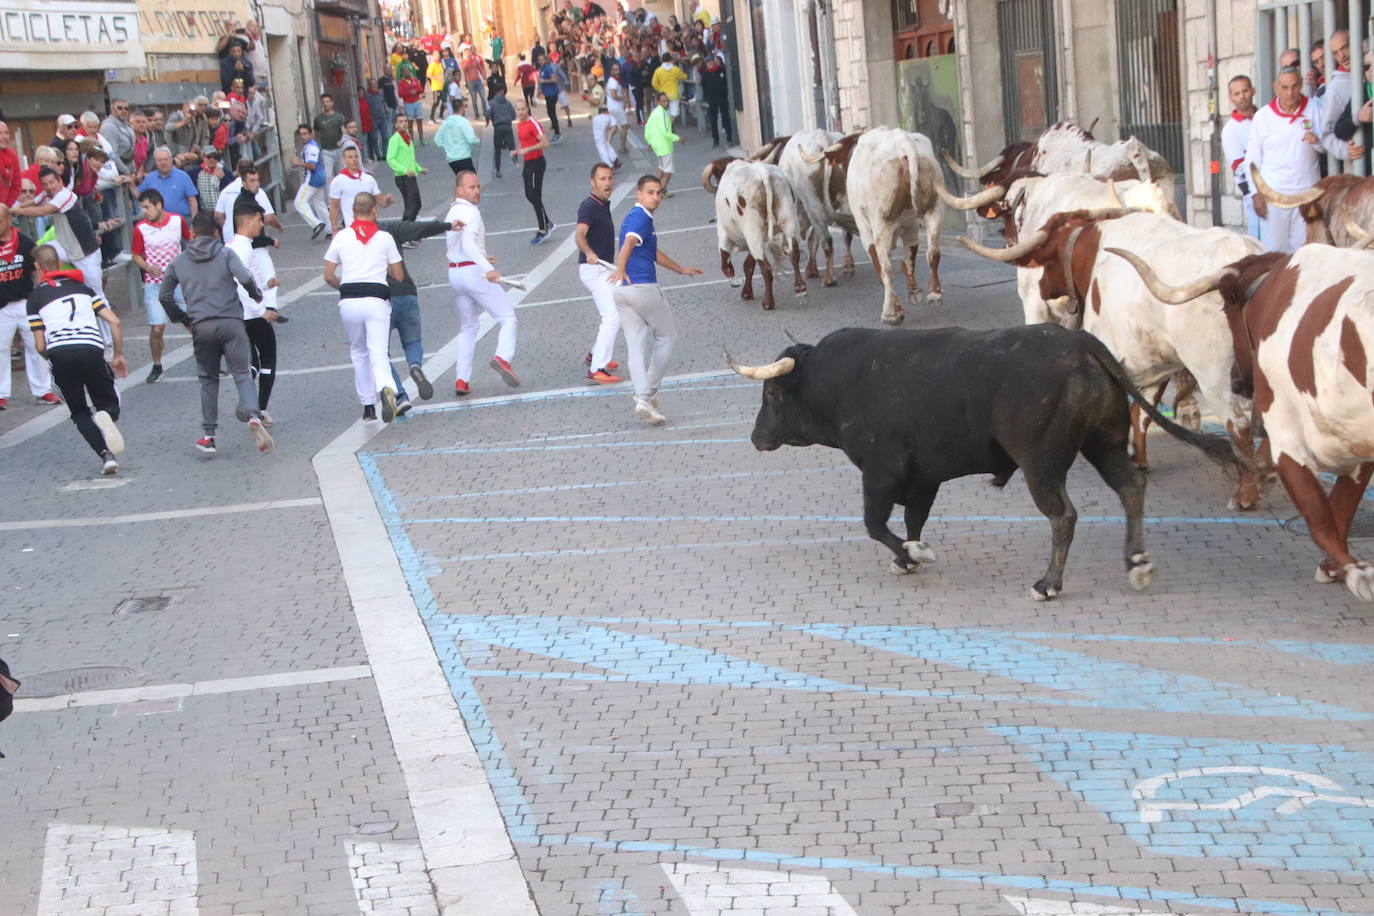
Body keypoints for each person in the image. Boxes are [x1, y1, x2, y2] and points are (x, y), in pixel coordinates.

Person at [158, 210, 271, 454]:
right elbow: (245, 277)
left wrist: (183, 319)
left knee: (208, 379)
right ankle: (253, 415)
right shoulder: (225, 252)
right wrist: (256, 295)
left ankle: (208, 435)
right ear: (215, 232)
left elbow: (164, 296)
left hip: (201, 325)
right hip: (231, 322)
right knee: (242, 373)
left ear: (190, 233)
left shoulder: (179, 261)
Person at [608, 174, 701, 425]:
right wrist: (621, 267)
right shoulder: (641, 216)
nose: (656, 197)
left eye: (659, 192)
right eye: (650, 192)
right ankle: (648, 393)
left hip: (622, 291)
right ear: (638, 194)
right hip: (642, 287)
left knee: (635, 346)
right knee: (666, 337)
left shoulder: (632, 216)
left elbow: (652, 252)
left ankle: (642, 399)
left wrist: (680, 269)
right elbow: (629, 243)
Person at [26, 244, 125, 473]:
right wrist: (118, 354)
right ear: (59, 264)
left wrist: (51, 357)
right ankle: (106, 415)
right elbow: (115, 322)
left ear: (38, 267)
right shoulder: (84, 289)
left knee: (79, 411)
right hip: (91, 348)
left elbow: (40, 344)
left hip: (60, 353)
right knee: (108, 404)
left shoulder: (35, 297)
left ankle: (106, 456)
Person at [323, 192, 404, 422]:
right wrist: (383, 266)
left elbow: (328, 275)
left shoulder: (341, 237)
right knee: (378, 351)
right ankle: (387, 389)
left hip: (349, 300)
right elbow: (398, 275)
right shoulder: (384, 238)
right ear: (374, 211)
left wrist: (344, 287)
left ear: (352, 211)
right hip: (376, 299)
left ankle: (368, 406)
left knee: (358, 352)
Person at [375, 214, 460, 414]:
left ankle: (400, 396)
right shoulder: (389, 228)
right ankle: (415, 366)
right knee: (412, 342)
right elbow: (419, 228)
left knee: (380, 353)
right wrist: (449, 225)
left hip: (380, 300)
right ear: (373, 211)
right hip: (406, 293)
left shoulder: (351, 238)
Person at [446, 170, 519, 395]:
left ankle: (461, 379)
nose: (477, 191)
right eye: (472, 187)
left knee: (468, 327)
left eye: (478, 187)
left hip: (455, 273)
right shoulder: (472, 212)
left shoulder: (453, 211)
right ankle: (502, 357)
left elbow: (458, 246)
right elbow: (468, 243)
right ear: (460, 190)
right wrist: (488, 268)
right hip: (473, 273)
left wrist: (481, 256)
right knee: (508, 318)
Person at [1246, 67, 1323, 254]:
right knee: (1274, 253)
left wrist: (1317, 142)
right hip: (1273, 195)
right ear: (1276, 88)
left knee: (1305, 253)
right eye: (1285, 87)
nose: (1290, 92)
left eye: (1295, 86)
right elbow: (1252, 159)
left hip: (1306, 195)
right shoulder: (1263, 116)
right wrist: (1255, 193)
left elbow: (1326, 145)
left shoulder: (1315, 108)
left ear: (1301, 85)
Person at [12, 168, 105, 302]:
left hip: (85, 252)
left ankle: (108, 323)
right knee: (36, 253)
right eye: (45, 184)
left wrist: (17, 210)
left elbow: (44, 210)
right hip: (64, 246)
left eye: (52, 182)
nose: (49, 187)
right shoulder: (47, 193)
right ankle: (47, 289)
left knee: (97, 296)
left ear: (59, 181)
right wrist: (13, 208)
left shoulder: (65, 195)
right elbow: (34, 202)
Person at [226, 205, 280, 425]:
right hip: (251, 313)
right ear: (248, 222)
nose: (262, 224)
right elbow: (240, 284)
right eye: (259, 220)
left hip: (236, 314)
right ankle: (259, 409)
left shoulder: (230, 245)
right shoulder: (244, 249)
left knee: (252, 360)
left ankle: (248, 398)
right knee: (269, 357)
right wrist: (262, 310)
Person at [130, 189, 191, 383]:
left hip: (179, 282)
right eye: (142, 208)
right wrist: (147, 266)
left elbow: (190, 240)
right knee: (157, 328)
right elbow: (135, 255)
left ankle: (210, 360)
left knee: (193, 323)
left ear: (159, 205)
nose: (144, 212)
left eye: (147, 207)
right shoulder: (140, 228)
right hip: (155, 284)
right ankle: (157, 365)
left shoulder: (177, 220)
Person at [0, 204, 57, 409]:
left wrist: (42, 292)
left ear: (8, 220)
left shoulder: (24, 243)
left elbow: (38, 268)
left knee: (36, 346)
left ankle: (43, 390)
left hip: (25, 302)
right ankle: (1, 394)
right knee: (1, 349)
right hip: (2, 306)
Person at [574, 163, 622, 384]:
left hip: (604, 268)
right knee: (611, 316)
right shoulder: (589, 206)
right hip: (593, 269)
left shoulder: (601, 204)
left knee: (620, 306)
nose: (608, 183)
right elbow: (580, 235)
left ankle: (595, 354)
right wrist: (589, 252)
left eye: (610, 178)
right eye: (602, 179)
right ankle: (596, 368)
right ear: (593, 182)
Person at [1220, 75, 1261, 240]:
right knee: (1262, 242)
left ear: (1253, 91)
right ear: (1230, 98)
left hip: (1281, 186)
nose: (1242, 96)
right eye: (1236, 93)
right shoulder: (1230, 130)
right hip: (1255, 193)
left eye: (1245, 91)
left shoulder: (1266, 117)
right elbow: (1240, 167)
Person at [511, 100, 553, 244]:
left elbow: (545, 143)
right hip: (528, 163)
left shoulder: (533, 123)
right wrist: (517, 152)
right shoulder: (520, 124)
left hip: (537, 162)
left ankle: (543, 229)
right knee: (529, 195)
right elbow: (524, 142)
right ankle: (547, 222)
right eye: (518, 109)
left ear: (527, 109)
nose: (521, 112)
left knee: (535, 196)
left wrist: (527, 150)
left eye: (523, 109)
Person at [329, 145, 392, 231]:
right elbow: (334, 207)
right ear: (344, 160)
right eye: (350, 157)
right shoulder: (338, 181)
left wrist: (387, 201)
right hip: (352, 229)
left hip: (372, 228)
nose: (354, 159)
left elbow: (381, 202)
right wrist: (334, 229)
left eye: (356, 156)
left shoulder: (369, 179)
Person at [215, 164, 280, 243]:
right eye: (252, 180)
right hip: (248, 238)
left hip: (229, 236)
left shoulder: (226, 190)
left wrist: (227, 226)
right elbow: (269, 217)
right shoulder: (258, 193)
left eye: (257, 180)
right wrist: (277, 227)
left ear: (237, 170)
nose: (256, 184)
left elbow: (218, 216)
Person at [138, 147, 200, 219]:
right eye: (159, 160)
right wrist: (130, 183)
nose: (163, 162)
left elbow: (192, 200)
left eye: (165, 159)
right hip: (157, 222)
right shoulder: (150, 177)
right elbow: (138, 194)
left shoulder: (183, 176)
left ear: (171, 160)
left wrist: (194, 221)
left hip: (181, 221)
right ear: (155, 163)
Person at [292, 124, 330, 238]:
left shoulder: (311, 147)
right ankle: (330, 229)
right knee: (319, 204)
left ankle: (316, 224)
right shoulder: (310, 145)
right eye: (301, 134)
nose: (303, 137)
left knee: (299, 202)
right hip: (319, 177)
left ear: (311, 134)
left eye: (305, 134)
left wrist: (298, 163)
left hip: (313, 178)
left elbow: (312, 165)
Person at [386, 113, 426, 223]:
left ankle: (407, 229)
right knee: (412, 205)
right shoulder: (395, 139)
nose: (404, 124)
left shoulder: (407, 136)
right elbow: (390, 159)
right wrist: (404, 170)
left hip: (410, 175)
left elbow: (409, 158)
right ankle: (405, 230)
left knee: (415, 204)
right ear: (396, 124)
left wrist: (419, 169)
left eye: (405, 121)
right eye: (400, 122)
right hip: (402, 177)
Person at [644, 92, 681, 197]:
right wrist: (677, 138)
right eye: (664, 101)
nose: (667, 103)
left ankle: (652, 188)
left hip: (657, 145)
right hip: (664, 145)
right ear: (658, 102)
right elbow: (665, 132)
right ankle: (662, 190)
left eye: (667, 101)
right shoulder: (662, 114)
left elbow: (648, 128)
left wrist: (650, 142)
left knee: (661, 168)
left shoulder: (655, 113)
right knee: (668, 170)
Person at [436, 100, 480, 174]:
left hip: (451, 159)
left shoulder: (446, 122)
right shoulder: (463, 121)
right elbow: (471, 139)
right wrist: (478, 140)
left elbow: (437, 140)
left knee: (461, 180)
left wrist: (447, 147)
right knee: (472, 181)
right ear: (462, 108)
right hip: (463, 157)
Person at [701, 53, 733, 148]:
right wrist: (707, 97)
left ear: (713, 62)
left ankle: (729, 137)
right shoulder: (705, 73)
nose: (709, 63)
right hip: (712, 99)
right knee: (713, 120)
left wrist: (725, 93)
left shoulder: (721, 70)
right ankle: (716, 140)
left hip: (722, 97)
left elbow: (726, 83)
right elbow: (704, 86)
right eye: (707, 62)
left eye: (710, 61)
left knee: (726, 117)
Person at [313, 93, 347, 184]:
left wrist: (342, 141)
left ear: (332, 103)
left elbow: (344, 131)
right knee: (328, 176)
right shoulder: (318, 119)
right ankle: (330, 197)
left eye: (327, 102)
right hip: (326, 151)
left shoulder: (339, 117)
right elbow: (316, 133)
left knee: (341, 175)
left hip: (338, 149)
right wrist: (320, 144)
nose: (325, 104)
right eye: (323, 102)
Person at [489, 87, 517, 179]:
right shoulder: (508, 103)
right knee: (512, 147)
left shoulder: (492, 103)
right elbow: (514, 116)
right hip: (507, 126)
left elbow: (487, 113)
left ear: (495, 92)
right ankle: (516, 163)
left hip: (498, 127)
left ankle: (498, 170)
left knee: (497, 150)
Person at [651, 53, 688, 123]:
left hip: (663, 95)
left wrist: (660, 89)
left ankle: (666, 128)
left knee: (665, 113)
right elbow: (684, 77)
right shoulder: (675, 69)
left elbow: (654, 83)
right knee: (673, 113)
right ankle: (669, 127)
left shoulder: (658, 70)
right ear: (671, 60)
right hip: (674, 94)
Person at [537, 52, 564, 141]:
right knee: (550, 112)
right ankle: (556, 130)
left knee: (552, 113)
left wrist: (544, 81)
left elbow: (554, 79)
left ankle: (557, 133)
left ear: (545, 60)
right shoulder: (542, 69)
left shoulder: (548, 69)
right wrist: (540, 91)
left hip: (552, 93)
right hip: (547, 94)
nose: (540, 61)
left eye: (542, 59)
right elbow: (541, 81)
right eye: (539, 60)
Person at [605, 63, 629, 154]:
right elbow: (613, 94)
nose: (617, 72)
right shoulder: (613, 81)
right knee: (624, 126)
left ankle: (607, 145)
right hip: (616, 107)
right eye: (614, 70)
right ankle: (622, 147)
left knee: (614, 127)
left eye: (618, 69)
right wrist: (623, 99)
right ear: (611, 71)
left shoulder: (613, 80)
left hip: (612, 107)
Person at [398, 69, 427, 144]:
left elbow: (421, 89)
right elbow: (400, 94)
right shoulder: (401, 83)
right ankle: (412, 141)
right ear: (403, 74)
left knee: (419, 121)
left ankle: (422, 139)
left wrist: (416, 91)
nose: (407, 73)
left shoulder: (414, 80)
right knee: (410, 123)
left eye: (408, 72)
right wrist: (409, 92)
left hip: (417, 102)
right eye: (405, 72)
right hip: (408, 104)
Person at [462, 47, 489, 122]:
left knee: (483, 98)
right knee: (474, 100)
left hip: (478, 81)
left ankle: (485, 113)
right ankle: (477, 115)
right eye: (466, 53)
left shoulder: (475, 60)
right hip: (470, 82)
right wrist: (467, 61)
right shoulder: (463, 62)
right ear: (464, 54)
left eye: (469, 52)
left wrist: (484, 78)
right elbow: (464, 68)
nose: (468, 54)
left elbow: (480, 68)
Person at [428, 52, 449, 123]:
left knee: (443, 101)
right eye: (436, 56)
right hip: (436, 87)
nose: (438, 57)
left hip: (442, 86)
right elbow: (428, 74)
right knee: (436, 102)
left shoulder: (440, 64)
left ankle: (441, 115)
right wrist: (436, 79)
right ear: (433, 57)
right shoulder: (432, 65)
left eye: (438, 55)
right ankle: (431, 117)